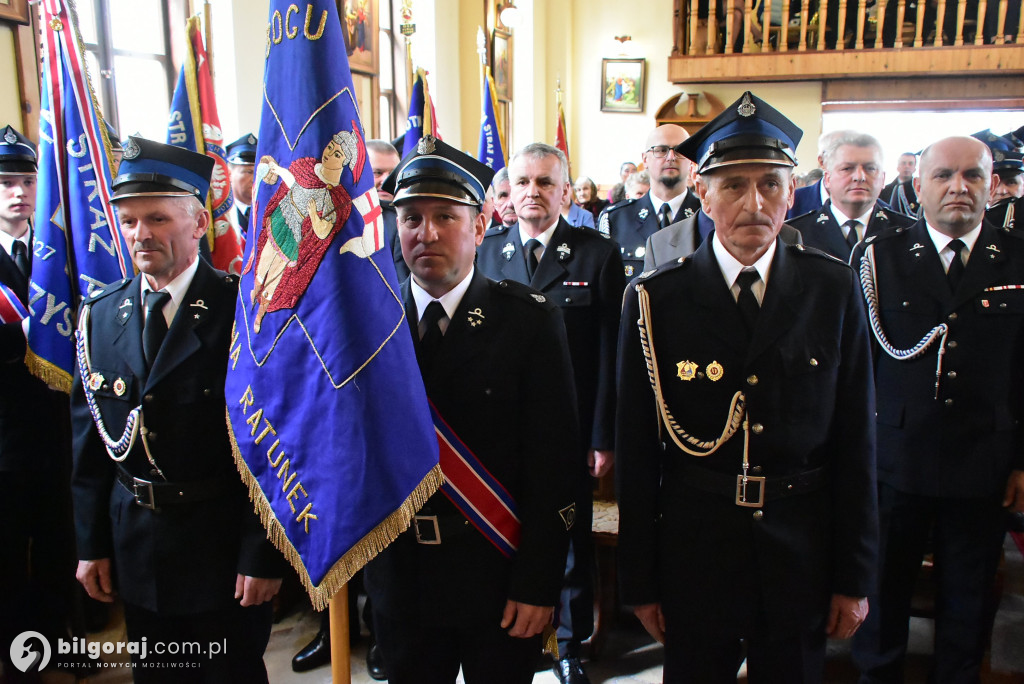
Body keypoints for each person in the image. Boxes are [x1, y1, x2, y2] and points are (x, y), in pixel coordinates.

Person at [616, 91, 879, 683]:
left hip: (801, 551)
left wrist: (854, 576)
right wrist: (640, 580)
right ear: (703, 194)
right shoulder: (656, 299)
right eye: (733, 184)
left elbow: (856, 442)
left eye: (770, 183)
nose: (753, 202)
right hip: (694, 550)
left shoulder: (832, 290)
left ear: (794, 192)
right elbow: (636, 451)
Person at [363, 135, 577, 684]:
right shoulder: (368, 324)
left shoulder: (529, 321)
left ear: (480, 227)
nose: (426, 233)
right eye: (410, 217)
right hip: (400, 575)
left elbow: (555, 467)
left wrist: (538, 584)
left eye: (445, 216)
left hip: (496, 569)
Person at [71, 137, 285, 682]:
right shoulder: (100, 317)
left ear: (197, 224)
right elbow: (90, 450)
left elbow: (273, 447)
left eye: (158, 218)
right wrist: (91, 545)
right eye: (130, 220)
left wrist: (261, 555)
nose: (141, 234)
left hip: (219, 548)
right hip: (137, 546)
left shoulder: (243, 312)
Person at [850, 135, 1024, 684]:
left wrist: (1022, 460)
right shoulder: (881, 257)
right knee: (880, 596)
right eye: (944, 175)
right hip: (895, 461)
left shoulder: (1018, 256)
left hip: (984, 464)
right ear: (917, 187)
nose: (958, 187)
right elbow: (856, 371)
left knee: (967, 603)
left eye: (973, 175)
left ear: (992, 186)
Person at [477, 143, 624, 684]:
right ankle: (507, 628)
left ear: (566, 192)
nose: (533, 192)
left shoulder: (597, 254)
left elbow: (611, 353)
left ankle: (569, 644)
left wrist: (603, 435)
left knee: (568, 535)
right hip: (497, 435)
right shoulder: (487, 252)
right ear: (508, 194)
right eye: (522, 182)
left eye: (545, 182)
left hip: (572, 428)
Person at [0, 124, 77, 681]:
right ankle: (19, 659)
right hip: (4, 437)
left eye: (27, 180)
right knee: (7, 557)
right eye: (5, 182)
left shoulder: (61, 254)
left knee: (59, 548)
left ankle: (60, 650)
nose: (19, 193)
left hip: (58, 429)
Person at [789, 131, 915, 261]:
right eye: (847, 168)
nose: (859, 177)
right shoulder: (795, 233)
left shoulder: (910, 231)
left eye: (870, 168)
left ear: (883, 178)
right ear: (827, 178)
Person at [598, 125, 701, 278]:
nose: (671, 157)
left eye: (679, 151)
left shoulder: (709, 215)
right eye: (661, 150)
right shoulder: (616, 218)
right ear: (645, 159)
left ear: (691, 161)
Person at [366, 138, 408, 282]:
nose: (386, 181)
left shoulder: (412, 217)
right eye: (377, 172)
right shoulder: (343, 217)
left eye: (393, 173)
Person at [225, 133, 257, 245]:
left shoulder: (267, 211)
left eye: (259, 173)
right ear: (229, 174)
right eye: (248, 172)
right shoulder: (223, 215)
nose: (255, 179)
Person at [880, 151, 921, 217]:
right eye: (903, 163)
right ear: (898, 167)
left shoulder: (920, 190)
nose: (907, 166)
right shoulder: (884, 191)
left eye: (910, 164)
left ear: (915, 168)